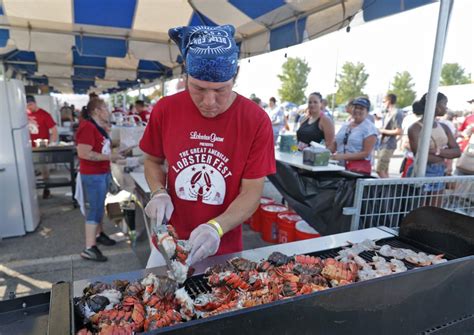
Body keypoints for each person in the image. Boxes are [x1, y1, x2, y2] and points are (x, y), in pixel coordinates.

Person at [139, 25, 276, 268]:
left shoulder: (255, 120)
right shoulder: (165, 109)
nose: (209, 102)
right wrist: (158, 191)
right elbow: (152, 160)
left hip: (223, 244)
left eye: (220, 90)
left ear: (236, 76)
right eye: (198, 89)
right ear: (186, 76)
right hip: (168, 241)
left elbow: (252, 191)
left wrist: (216, 227)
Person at [76, 98, 122, 262]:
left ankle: (99, 234)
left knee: (99, 207)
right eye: (105, 108)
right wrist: (110, 156)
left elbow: (101, 147)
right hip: (93, 175)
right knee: (95, 210)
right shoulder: (87, 127)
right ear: (96, 111)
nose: (108, 111)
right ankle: (89, 247)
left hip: (101, 173)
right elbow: (84, 153)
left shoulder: (98, 127)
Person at [407, 92, 461, 182]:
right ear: (435, 105)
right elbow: (421, 157)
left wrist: (436, 151)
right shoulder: (415, 128)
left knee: (436, 196)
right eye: (444, 103)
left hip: (440, 171)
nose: (446, 107)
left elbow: (457, 152)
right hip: (422, 172)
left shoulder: (444, 127)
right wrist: (446, 154)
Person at [329, 97, 378, 175]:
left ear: (367, 111)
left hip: (357, 172)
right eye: (355, 107)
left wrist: (343, 156)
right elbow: (335, 143)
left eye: (361, 108)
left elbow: (365, 153)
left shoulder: (370, 128)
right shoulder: (345, 125)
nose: (357, 110)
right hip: (339, 168)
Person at [26, 95, 58, 199]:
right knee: (28, 170)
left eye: (30, 104)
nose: (29, 107)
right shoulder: (23, 114)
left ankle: (46, 189)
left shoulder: (44, 114)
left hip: (41, 147)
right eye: (27, 105)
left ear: (35, 103)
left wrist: (51, 144)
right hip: (27, 147)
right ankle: (30, 191)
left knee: (44, 169)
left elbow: (54, 131)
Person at [376, 94, 404, 178]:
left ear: (389, 101)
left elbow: (399, 131)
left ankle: (387, 188)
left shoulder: (396, 113)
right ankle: (386, 187)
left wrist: (382, 131)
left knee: (380, 169)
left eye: (384, 101)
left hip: (388, 144)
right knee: (384, 169)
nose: (383, 103)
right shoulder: (388, 113)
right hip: (384, 143)